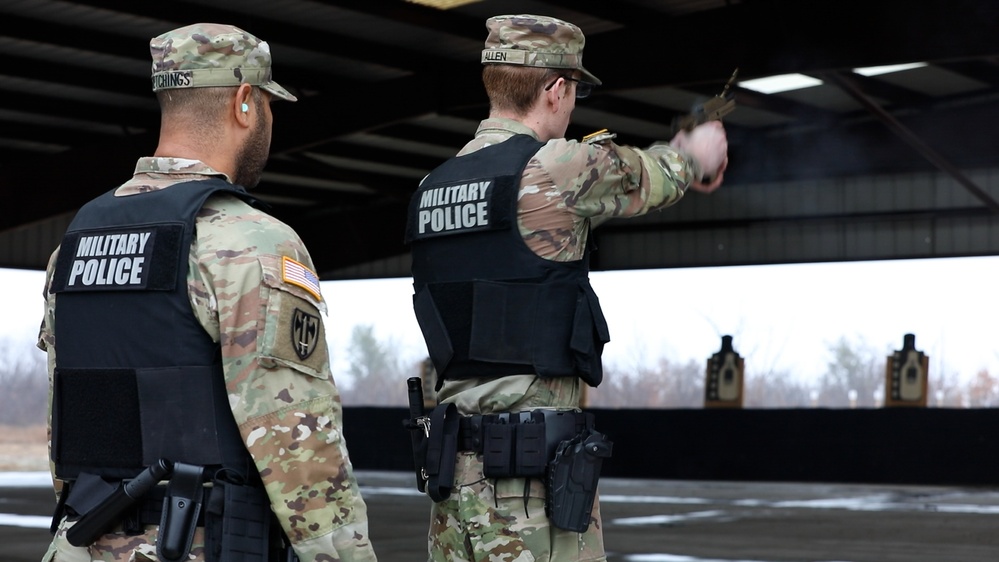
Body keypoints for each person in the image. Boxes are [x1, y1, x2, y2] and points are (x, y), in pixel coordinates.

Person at [37, 23, 377, 562]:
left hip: (84, 540)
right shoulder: (252, 241)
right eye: (268, 105)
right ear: (245, 103)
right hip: (198, 542)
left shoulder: (75, 244)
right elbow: (297, 441)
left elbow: (68, 423)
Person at [404, 13, 728, 562]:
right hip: (528, 488)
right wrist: (694, 153)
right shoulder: (554, 167)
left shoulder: (431, 187)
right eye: (573, 91)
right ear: (555, 90)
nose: (572, 105)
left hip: (450, 483)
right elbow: (653, 175)